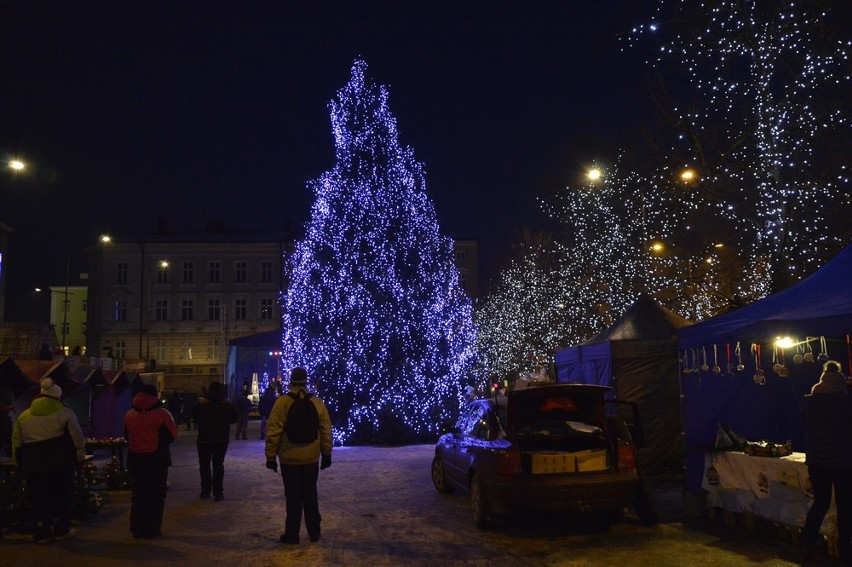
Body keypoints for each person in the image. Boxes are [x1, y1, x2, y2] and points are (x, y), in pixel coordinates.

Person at [12, 378, 86, 542]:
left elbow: (17, 442)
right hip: (59, 462)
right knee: (61, 496)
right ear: (57, 397)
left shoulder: (24, 416)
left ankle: (41, 531)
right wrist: (80, 459)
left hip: (33, 464)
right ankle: (61, 530)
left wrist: (19, 463)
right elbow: (77, 439)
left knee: (38, 497)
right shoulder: (66, 413)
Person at [265, 367, 332, 544]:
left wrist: (270, 457)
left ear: (291, 381)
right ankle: (314, 532)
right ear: (306, 381)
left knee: (293, 498)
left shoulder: (282, 402)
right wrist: (326, 453)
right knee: (310, 494)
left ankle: (292, 534)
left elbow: (273, 431)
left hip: (289, 458)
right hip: (311, 458)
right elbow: (326, 430)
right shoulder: (317, 402)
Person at [800, 360, 852, 563]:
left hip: (816, 461)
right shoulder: (844, 404)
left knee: (819, 504)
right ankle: (845, 549)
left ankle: (807, 543)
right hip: (842, 462)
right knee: (845, 507)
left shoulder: (809, 403)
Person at [123, 384, 177, 539]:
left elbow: (127, 436)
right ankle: (152, 529)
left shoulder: (129, 414)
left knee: (138, 495)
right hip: (157, 461)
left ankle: (136, 529)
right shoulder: (163, 414)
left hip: (135, 459)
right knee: (155, 496)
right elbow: (171, 436)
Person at [192, 381, 237, 501]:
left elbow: (194, 416)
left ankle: (205, 491)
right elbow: (234, 418)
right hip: (221, 439)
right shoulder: (226, 403)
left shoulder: (201, 403)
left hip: (204, 439)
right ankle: (218, 492)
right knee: (218, 465)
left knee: (204, 465)